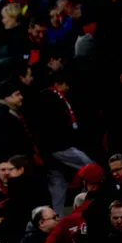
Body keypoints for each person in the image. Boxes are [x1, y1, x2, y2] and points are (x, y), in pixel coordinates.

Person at [37, 71, 94, 216]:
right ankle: (89, 204)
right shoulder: (48, 98)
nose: (67, 87)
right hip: (59, 146)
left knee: (58, 182)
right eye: (65, 84)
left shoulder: (53, 97)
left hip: (51, 149)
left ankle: (58, 216)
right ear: (57, 84)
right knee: (92, 169)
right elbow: (52, 125)